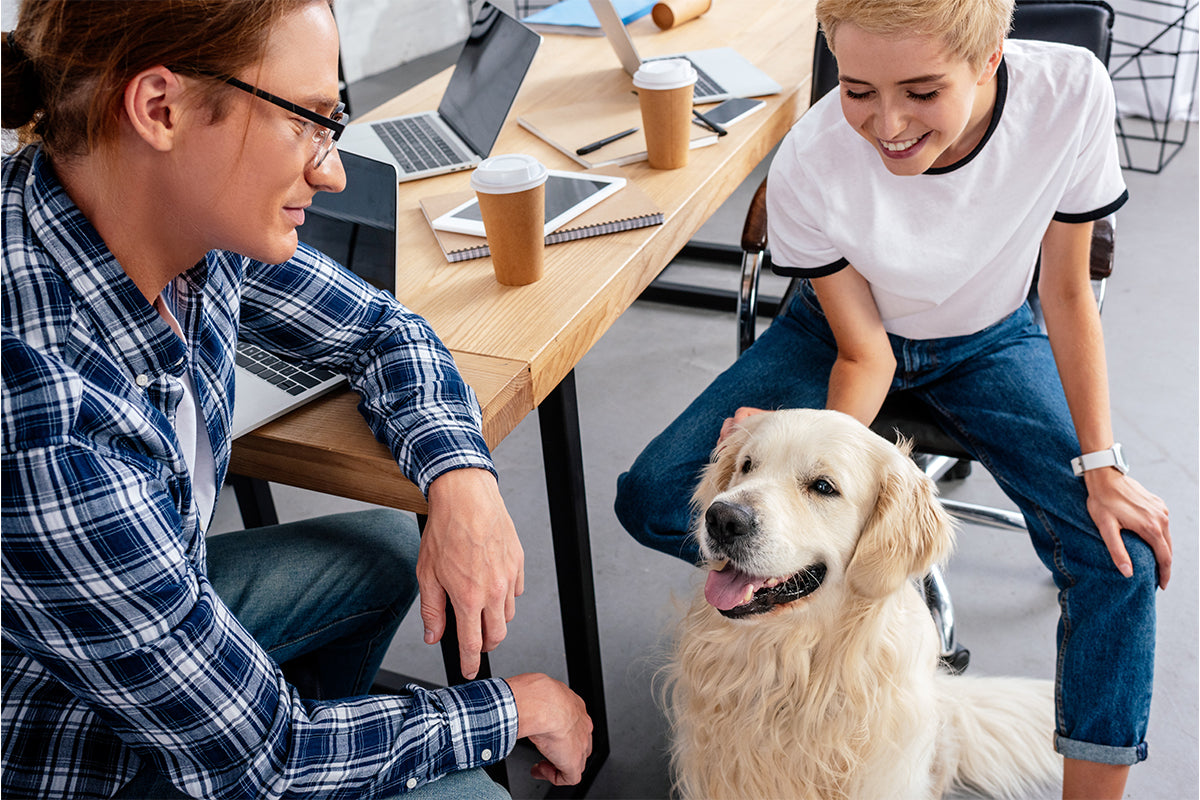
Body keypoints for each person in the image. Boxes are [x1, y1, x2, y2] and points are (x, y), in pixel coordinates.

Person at [1, 1, 591, 797]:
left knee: (386, 548)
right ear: (160, 109)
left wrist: (462, 478)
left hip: (137, 649)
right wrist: (519, 708)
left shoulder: (169, 220)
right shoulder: (45, 425)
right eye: (305, 120)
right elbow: (269, 759)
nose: (334, 169)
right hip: (61, 745)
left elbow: (382, 331)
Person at [612, 0, 1172, 797]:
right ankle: (805, 628)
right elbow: (863, 348)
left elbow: (1067, 291)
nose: (888, 123)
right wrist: (795, 463)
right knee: (655, 494)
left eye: (920, 89)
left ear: (989, 59)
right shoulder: (810, 157)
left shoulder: (1069, 91)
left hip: (990, 336)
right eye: (858, 89)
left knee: (1121, 555)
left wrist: (1104, 467)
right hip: (840, 332)